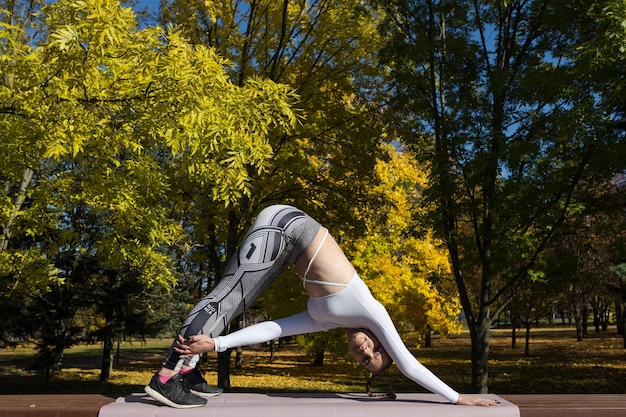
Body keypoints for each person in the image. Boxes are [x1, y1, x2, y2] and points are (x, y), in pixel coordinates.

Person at [145, 205, 500, 408]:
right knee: (228, 298)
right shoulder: (370, 309)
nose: (364, 349)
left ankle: (188, 372)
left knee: (236, 305)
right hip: (287, 227)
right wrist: (457, 398)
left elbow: (274, 329)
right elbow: (408, 365)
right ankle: (167, 375)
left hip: (285, 242)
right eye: (374, 350)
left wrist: (218, 344)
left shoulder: (322, 320)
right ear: (380, 339)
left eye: (363, 359)